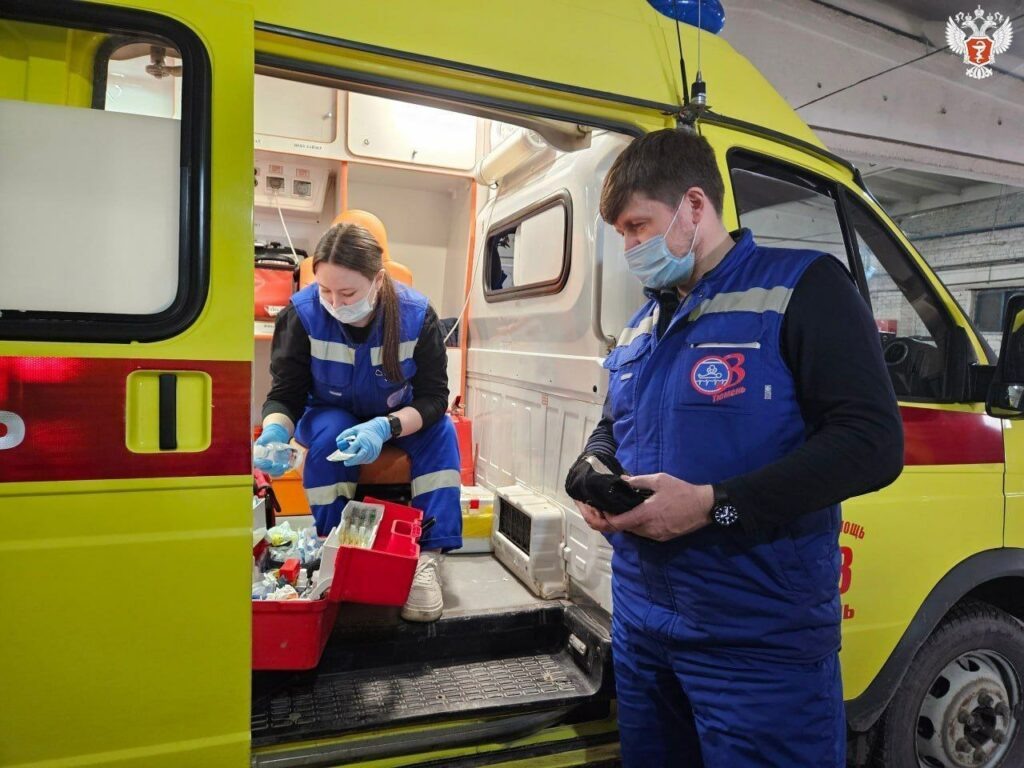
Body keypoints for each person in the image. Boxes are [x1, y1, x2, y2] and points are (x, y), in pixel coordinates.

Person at [564, 129, 904, 767]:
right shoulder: (643, 324)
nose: (631, 248)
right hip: (644, 630)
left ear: (694, 206)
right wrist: (592, 467)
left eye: (639, 227)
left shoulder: (802, 288)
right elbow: (614, 423)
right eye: (622, 234)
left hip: (756, 643)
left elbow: (872, 444)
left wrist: (712, 504)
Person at [255, 220, 462, 623]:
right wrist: (275, 432)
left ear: (378, 280)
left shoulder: (416, 316)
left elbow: (434, 397)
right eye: (325, 290)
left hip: (398, 414)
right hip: (328, 412)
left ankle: (427, 559)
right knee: (330, 433)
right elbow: (286, 394)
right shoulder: (301, 315)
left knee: (442, 432)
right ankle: (337, 550)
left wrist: (386, 427)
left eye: (347, 293)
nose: (335, 302)